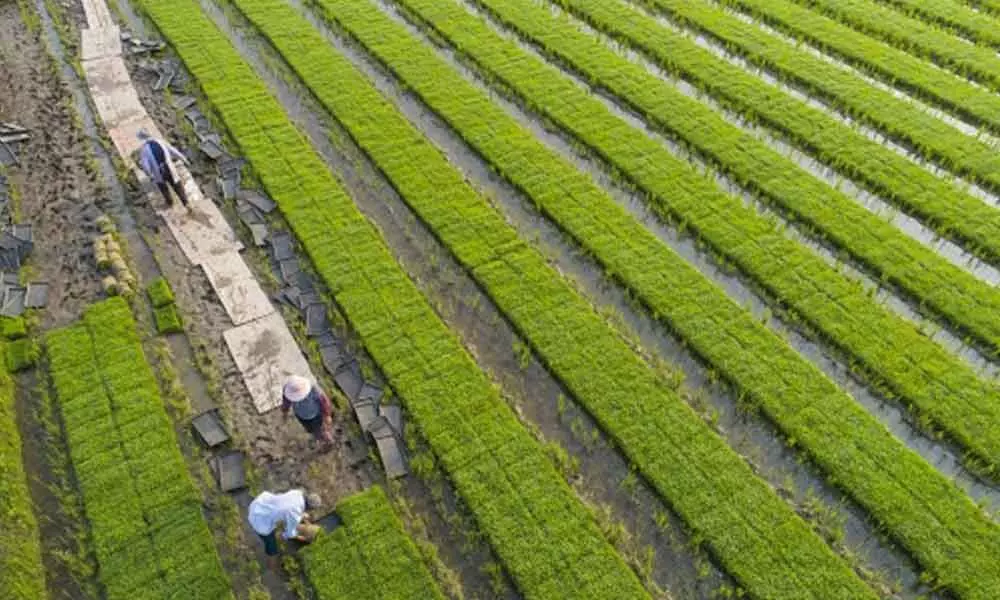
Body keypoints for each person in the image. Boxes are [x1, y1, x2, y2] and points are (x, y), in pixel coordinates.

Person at [248, 489, 322, 568]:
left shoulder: (297, 493)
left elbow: (288, 505)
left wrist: (301, 516)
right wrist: (301, 537)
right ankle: (271, 567)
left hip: (259, 503)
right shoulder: (294, 515)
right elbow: (289, 534)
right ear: (310, 509)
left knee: (279, 522)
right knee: (272, 548)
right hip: (259, 520)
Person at [136, 129, 190, 208]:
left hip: (159, 172)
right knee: (177, 185)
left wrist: (150, 175)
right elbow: (173, 151)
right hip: (169, 168)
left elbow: (145, 166)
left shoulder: (144, 150)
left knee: (163, 188)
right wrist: (184, 159)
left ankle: (170, 202)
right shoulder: (160, 142)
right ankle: (185, 202)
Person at [282, 376, 333, 450]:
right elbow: (286, 402)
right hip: (301, 416)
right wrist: (285, 411)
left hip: (316, 414)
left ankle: (327, 439)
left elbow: (324, 401)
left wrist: (327, 415)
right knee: (310, 429)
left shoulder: (313, 389)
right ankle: (316, 435)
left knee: (320, 428)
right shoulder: (287, 391)